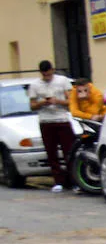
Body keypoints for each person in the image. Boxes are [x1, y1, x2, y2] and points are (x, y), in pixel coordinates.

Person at [27, 60, 74, 193]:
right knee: (51, 152)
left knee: (69, 151)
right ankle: (58, 181)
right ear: (41, 73)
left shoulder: (62, 81)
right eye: (44, 75)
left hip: (62, 119)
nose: (47, 77)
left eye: (49, 74)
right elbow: (32, 105)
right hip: (46, 121)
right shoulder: (35, 85)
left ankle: (73, 180)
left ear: (53, 70)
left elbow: (70, 101)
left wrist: (57, 101)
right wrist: (42, 103)